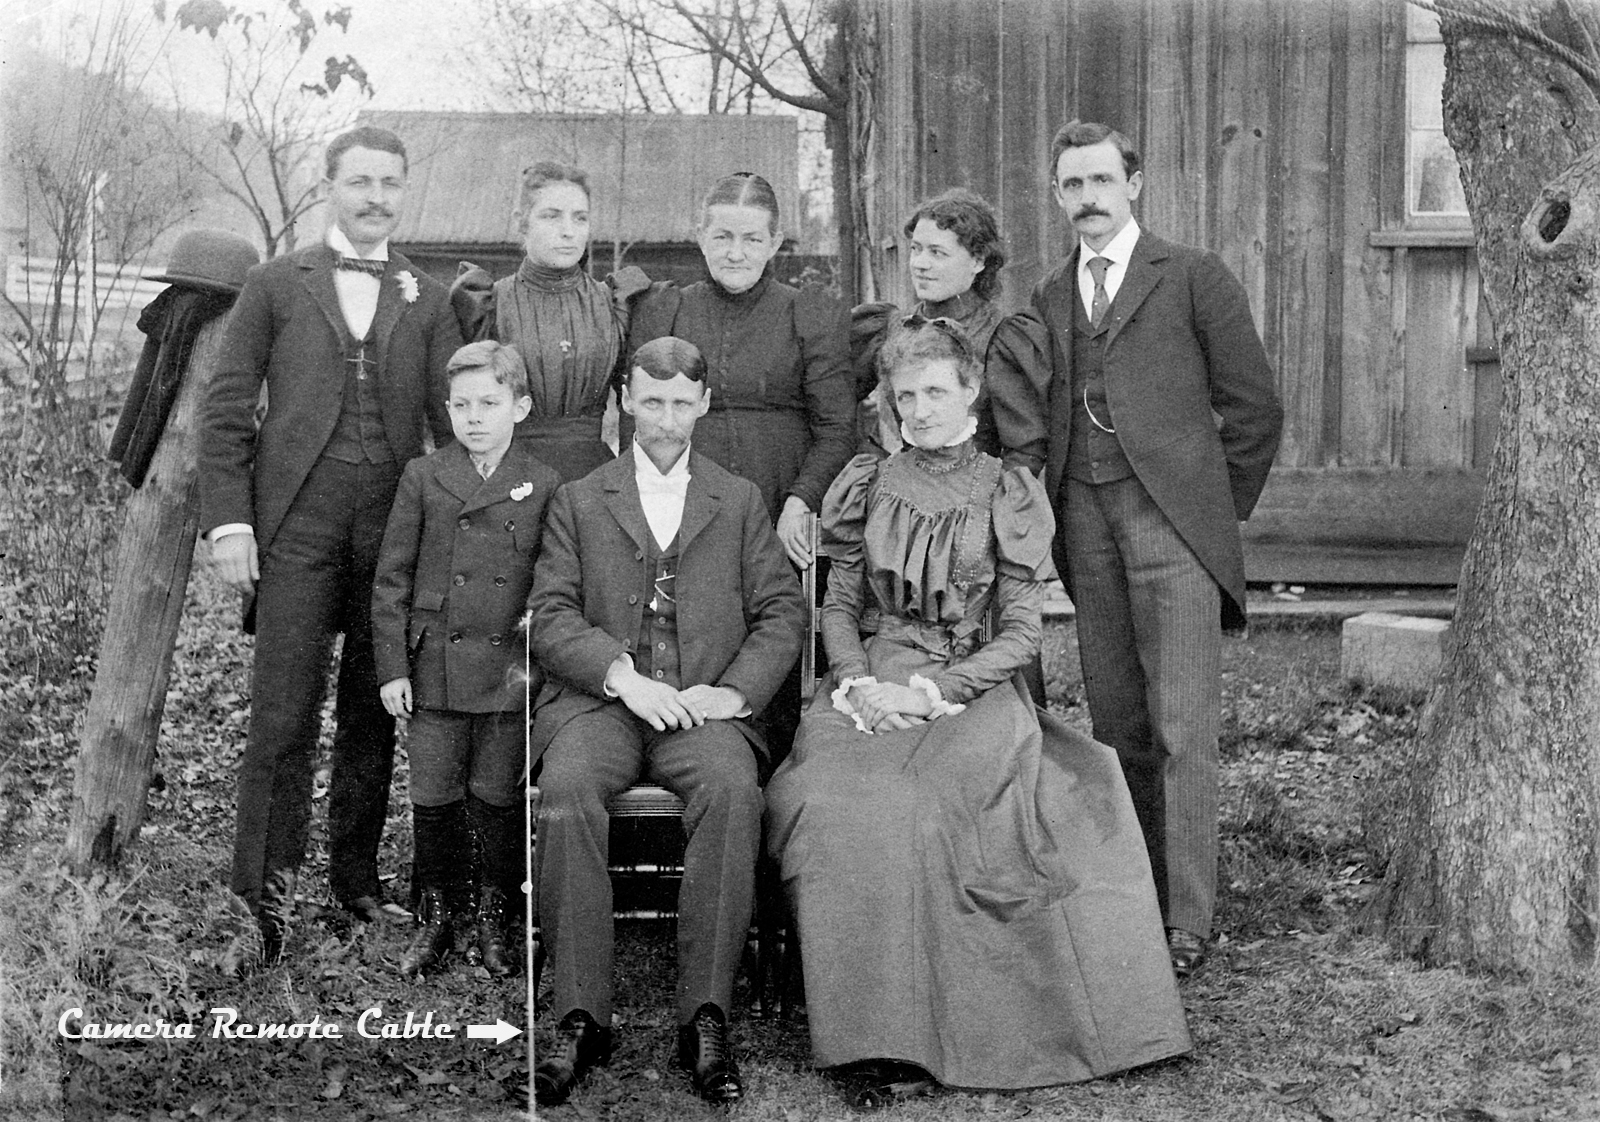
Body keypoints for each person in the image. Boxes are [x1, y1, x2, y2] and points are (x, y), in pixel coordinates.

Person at [765, 317, 1191, 1108]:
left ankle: (952, 1029)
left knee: (929, 804)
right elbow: (840, 603)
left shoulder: (1008, 488)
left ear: (969, 392)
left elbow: (1024, 630)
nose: (919, 410)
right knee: (824, 802)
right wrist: (858, 682)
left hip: (976, 686)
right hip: (874, 676)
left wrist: (934, 692)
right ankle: (868, 1033)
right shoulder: (867, 480)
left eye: (934, 392)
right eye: (905, 396)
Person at [986, 120, 1284, 978]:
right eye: (1071, 186)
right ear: (1056, 195)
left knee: (1183, 725)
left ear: (1135, 185)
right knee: (1118, 724)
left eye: (1101, 183)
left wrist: (1206, 514)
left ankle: (1189, 919)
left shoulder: (1191, 276)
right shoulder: (1048, 296)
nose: (1086, 201)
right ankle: (1136, 897)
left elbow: (1255, 412)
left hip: (1173, 526)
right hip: (1085, 520)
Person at [200, 125, 463, 963]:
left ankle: (354, 881)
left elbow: (453, 422)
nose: (375, 197)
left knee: (372, 710)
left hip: (390, 531)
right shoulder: (276, 285)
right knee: (281, 715)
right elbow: (227, 408)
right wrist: (231, 523)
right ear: (329, 186)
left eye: (390, 182)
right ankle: (262, 905)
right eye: (360, 181)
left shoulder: (426, 295)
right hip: (297, 529)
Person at [527, 336, 806, 1107]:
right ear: (624, 399)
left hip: (702, 710)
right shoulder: (581, 498)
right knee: (569, 786)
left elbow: (783, 612)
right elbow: (548, 615)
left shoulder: (738, 497)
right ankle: (583, 1016)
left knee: (731, 789)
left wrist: (735, 693)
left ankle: (705, 1016)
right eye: (652, 401)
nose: (666, 418)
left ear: (705, 405)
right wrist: (620, 675)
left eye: (683, 403)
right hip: (601, 705)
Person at [370, 341, 560, 978]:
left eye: (490, 403)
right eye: (461, 405)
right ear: (446, 410)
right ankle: (434, 918)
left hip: (509, 667)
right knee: (434, 792)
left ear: (521, 407)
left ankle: (493, 916)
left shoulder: (543, 483)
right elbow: (391, 578)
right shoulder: (424, 476)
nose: (474, 416)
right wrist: (394, 667)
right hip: (434, 667)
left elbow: (552, 580)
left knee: (497, 795)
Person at [626, 171, 854, 573]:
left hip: (781, 510)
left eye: (752, 240)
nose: (736, 253)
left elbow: (837, 430)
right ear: (700, 237)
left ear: (775, 244)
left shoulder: (808, 314)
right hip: (682, 511)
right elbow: (641, 419)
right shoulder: (665, 309)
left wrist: (801, 502)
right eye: (722, 237)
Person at [451, 161, 648, 482]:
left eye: (580, 218)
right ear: (522, 223)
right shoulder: (486, 302)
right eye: (551, 215)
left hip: (593, 478)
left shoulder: (614, 301)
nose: (568, 230)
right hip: (510, 477)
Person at [850, 187, 1008, 455]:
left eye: (937, 253)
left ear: (978, 261)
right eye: (916, 249)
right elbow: (830, 411)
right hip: (902, 488)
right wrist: (875, 462)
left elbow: (1024, 445)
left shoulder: (1004, 336)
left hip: (977, 489)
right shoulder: (889, 327)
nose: (920, 264)